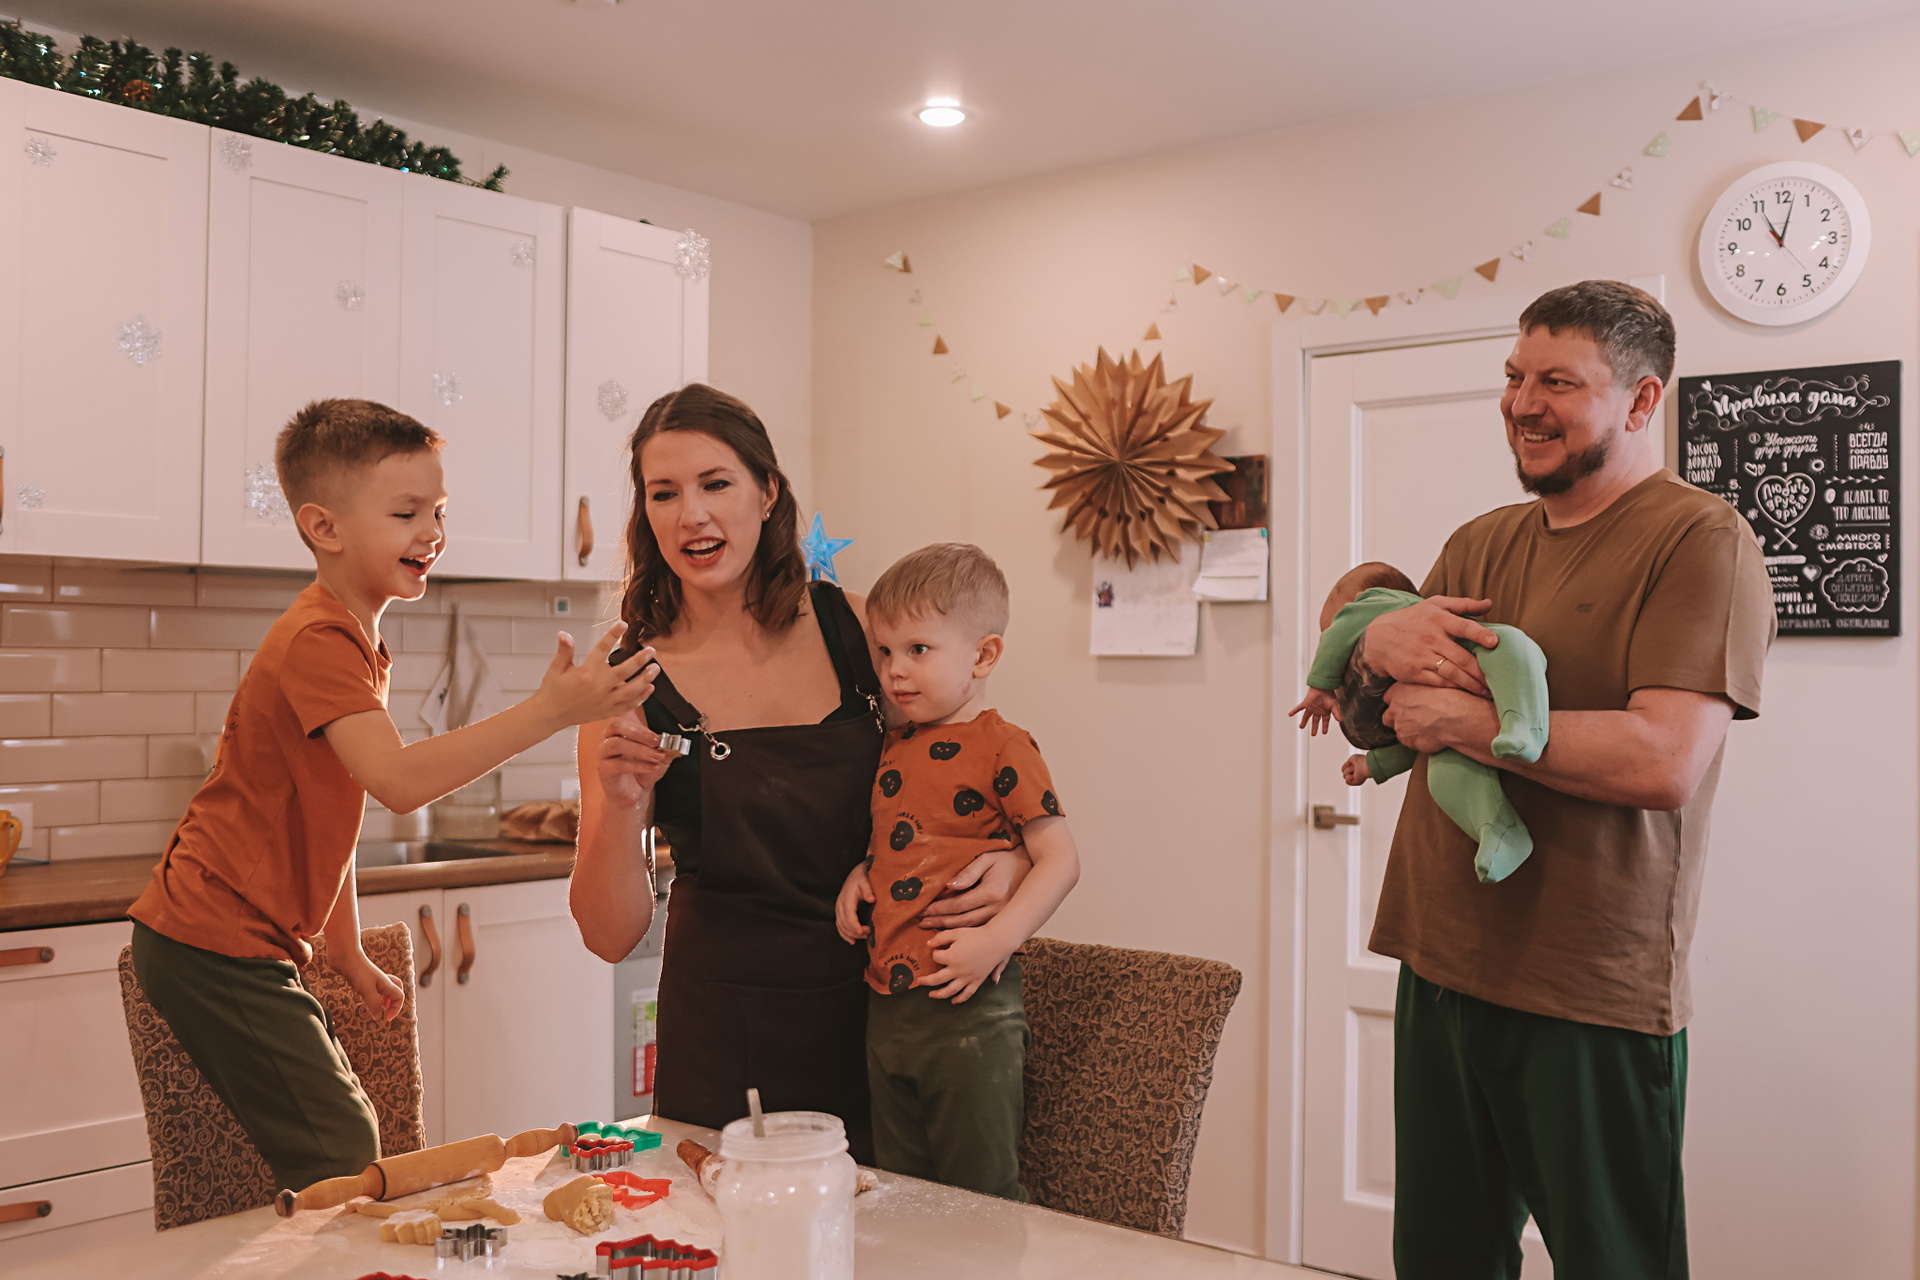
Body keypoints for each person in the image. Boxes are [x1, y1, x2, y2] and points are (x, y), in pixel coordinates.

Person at [128, 399, 654, 1193]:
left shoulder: (352, 635)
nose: (432, 532)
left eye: (438, 511)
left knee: (338, 1141)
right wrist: (551, 711)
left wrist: (342, 948)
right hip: (213, 936)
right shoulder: (320, 639)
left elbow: (334, 807)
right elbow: (400, 783)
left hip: (224, 933)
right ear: (324, 527)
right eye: (407, 513)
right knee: (341, 1143)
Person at [1357, 281, 1774, 1279]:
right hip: (1439, 960)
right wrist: (1371, 641)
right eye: (1514, 376)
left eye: (1558, 382)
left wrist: (1471, 723)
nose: (1522, 403)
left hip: (1588, 986)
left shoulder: (1700, 541)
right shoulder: (1480, 541)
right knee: (1442, 1259)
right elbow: (1381, 720)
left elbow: (1664, 759)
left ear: (1641, 399)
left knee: (1615, 1262)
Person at [570, 386, 1030, 1164]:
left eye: (716, 483)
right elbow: (609, 936)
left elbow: (976, 775)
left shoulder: (860, 630)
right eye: (664, 492)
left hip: (885, 1015)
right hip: (722, 1041)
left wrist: (1011, 860)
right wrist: (620, 809)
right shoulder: (624, 680)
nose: (692, 515)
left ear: (767, 492)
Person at [831, 543, 1081, 1200]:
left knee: (982, 1198)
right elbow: (915, 840)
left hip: (971, 1009)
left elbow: (1060, 860)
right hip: (888, 1008)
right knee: (902, 1194)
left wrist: (996, 940)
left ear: (983, 655)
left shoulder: (1003, 744)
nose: (895, 670)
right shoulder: (893, 744)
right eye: (885, 651)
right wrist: (863, 872)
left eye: (918, 649)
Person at [1290, 560, 1550, 883]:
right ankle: (1499, 830)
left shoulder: (1380, 604)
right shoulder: (1400, 680)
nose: (1342, 664)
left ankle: (1524, 725)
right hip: (1459, 714)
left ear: (1362, 601)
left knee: (1504, 645)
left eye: (1329, 633)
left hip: (1483, 652)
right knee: (1442, 776)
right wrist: (1372, 764)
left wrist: (1320, 685)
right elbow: (1412, 741)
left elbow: (1341, 631)